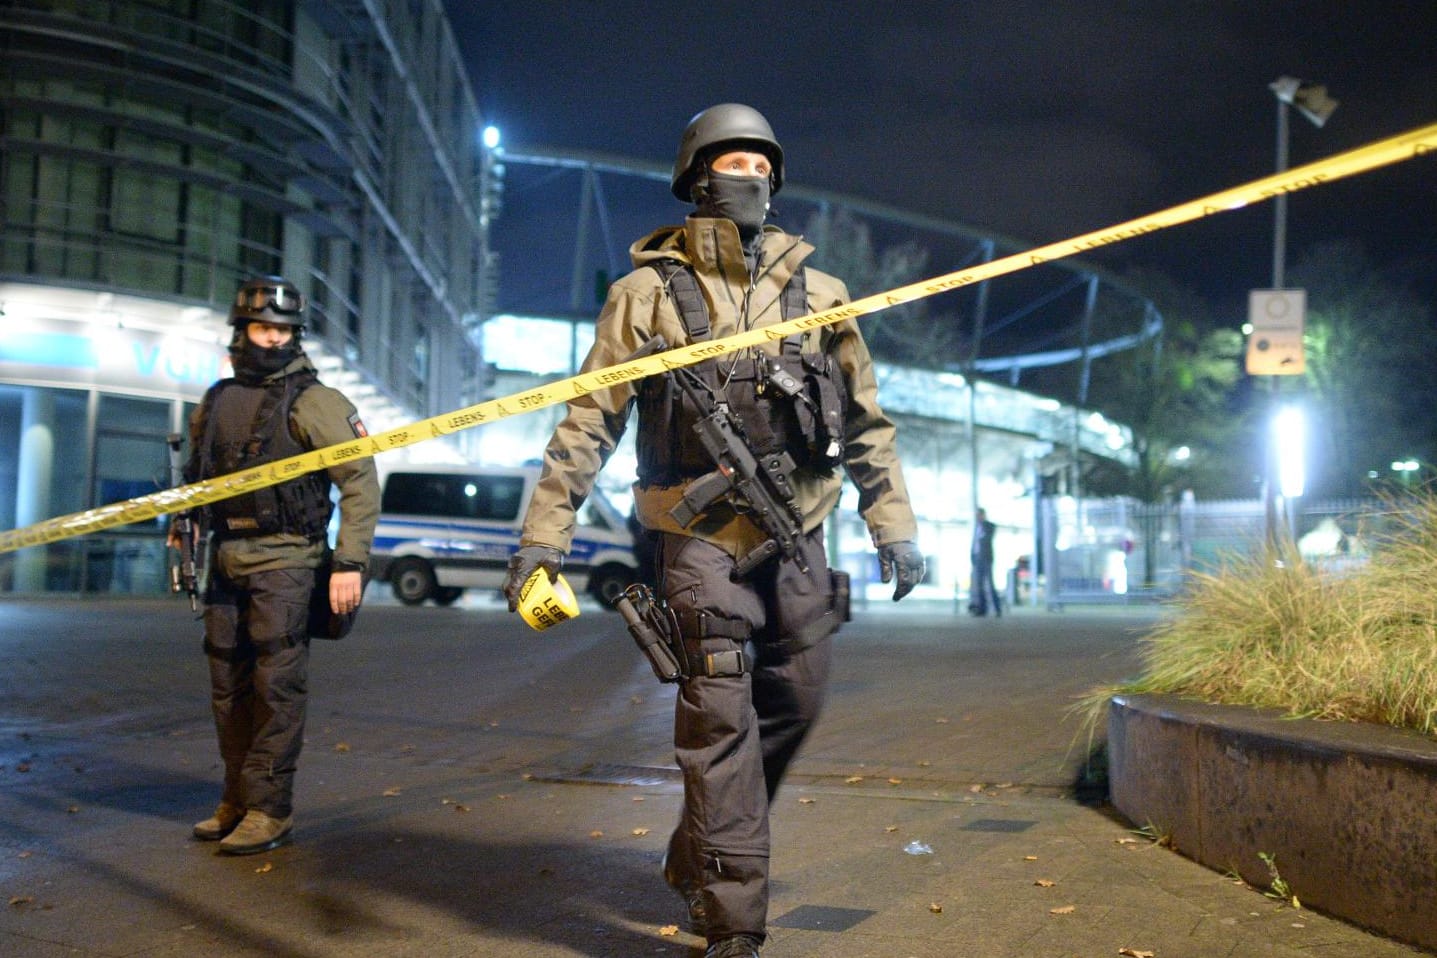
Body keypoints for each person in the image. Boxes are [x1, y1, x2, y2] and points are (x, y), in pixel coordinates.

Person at [502, 104, 924, 958]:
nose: (751, 179)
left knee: (797, 702)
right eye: (735, 163)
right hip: (697, 544)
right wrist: (540, 544)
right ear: (697, 175)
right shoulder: (643, 295)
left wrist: (894, 526)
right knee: (717, 722)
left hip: (801, 531)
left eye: (764, 167)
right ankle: (733, 921)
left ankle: (704, 845)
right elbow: (587, 424)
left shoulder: (823, 293)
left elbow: (868, 424)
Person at [175, 276, 379, 855]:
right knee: (227, 688)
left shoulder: (316, 401)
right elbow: (196, 478)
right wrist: (179, 521)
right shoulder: (215, 399)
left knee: (275, 688)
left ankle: (270, 808)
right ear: (241, 331)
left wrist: (349, 563)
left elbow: (360, 483)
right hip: (225, 559)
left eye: (283, 331)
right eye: (262, 328)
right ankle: (236, 799)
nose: (271, 340)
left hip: (288, 561)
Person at [968, 507, 1001, 617]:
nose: (977, 517)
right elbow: (974, 544)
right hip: (977, 559)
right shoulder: (976, 528)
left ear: (983, 515)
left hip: (986, 559)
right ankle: (982, 608)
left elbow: (987, 539)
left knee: (990, 584)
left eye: (979, 515)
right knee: (979, 585)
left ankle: (997, 608)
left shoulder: (989, 526)